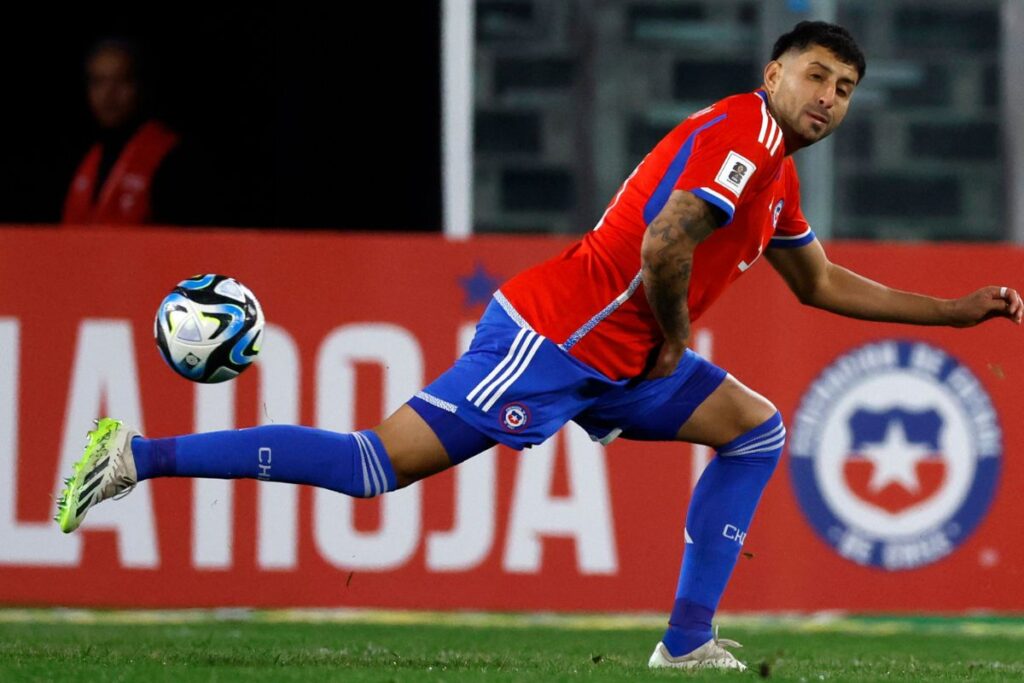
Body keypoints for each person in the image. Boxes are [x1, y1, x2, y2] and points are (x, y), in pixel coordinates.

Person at [55, 21, 1021, 671]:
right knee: (369, 467)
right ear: (773, 74)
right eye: (816, 75)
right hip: (558, 342)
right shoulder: (744, 137)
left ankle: (686, 645)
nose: (830, 98)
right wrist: (676, 340)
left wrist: (954, 310)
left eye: (846, 88)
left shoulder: (773, 176)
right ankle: (135, 456)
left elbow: (816, 282)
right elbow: (666, 239)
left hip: (623, 356)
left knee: (757, 430)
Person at [62, 39, 185, 227]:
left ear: (141, 86)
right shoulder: (82, 155)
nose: (109, 94)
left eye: (122, 80)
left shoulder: (169, 156)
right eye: (99, 82)